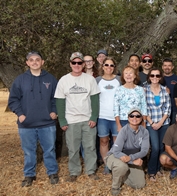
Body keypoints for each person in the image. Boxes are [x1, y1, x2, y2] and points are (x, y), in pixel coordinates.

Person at [8, 51, 59, 187]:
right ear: (27, 63)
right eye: (31, 60)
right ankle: (29, 174)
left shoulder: (51, 79)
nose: (35, 62)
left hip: (47, 123)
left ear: (42, 62)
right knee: (29, 151)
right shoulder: (20, 80)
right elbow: (13, 100)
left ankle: (52, 172)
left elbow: (57, 98)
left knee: (49, 149)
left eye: (37, 59)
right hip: (27, 124)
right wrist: (20, 114)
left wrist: (54, 111)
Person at [55, 52, 100, 182]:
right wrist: (62, 120)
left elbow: (95, 100)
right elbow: (60, 101)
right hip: (71, 120)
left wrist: (94, 117)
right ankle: (74, 172)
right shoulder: (64, 80)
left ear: (83, 64)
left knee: (90, 147)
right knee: (73, 148)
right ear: (70, 64)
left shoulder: (90, 79)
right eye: (74, 62)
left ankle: (91, 171)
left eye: (79, 63)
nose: (76, 65)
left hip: (87, 120)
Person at [105, 107, 150, 196]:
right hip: (116, 155)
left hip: (130, 157)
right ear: (128, 118)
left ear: (141, 118)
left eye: (137, 116)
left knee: (140, 184)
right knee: (122, 167)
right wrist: (132, 161)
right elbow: (117, 151)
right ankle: (115, 187)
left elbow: (145, 151)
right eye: (132, 116)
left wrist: (131, 158)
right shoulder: (123, 131)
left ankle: (122, 175)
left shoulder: (145, 132)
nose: (134, 118)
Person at [145, 68, 171, 182]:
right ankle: (151, 172)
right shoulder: (144, 91)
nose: (154, 78)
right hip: (151, 124)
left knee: (161, 147)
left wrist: (161, 122)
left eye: (157, 75)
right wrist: (152, 123)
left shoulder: (165, 91)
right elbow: (143, 109)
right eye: (152, 75)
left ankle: (158, 168)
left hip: (163, 123)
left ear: (160, 77)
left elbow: (168, 108)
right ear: (149, 77)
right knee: (155, 147)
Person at [96, 57, 121, 174]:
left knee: (116, 142)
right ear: (102, 66)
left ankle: (115, 163)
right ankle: (107, 165)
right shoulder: (97, 81)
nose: (109, 67)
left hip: (116, 116)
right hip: (102, 116)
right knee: (104, 141)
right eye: (106, 65)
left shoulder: (120, 80)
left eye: (111, 65)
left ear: (114, 67)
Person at [114, 66, 147, 132]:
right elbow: (116, 108)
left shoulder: (140, 89)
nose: (128, 75)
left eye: (131, 73)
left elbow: (144, 106)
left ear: (135, 75)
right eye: (126, 73)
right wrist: (118, 125)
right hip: (123, 121)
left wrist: (144, 122)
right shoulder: (119, 90)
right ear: (123, 76)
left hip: (137, 120)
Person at [162, 58, 177, 124]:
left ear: (172, 67)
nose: (167, 67)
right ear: (162, 67)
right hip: (161, 110)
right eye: (165, 65)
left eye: (169, 65)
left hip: (175, 110)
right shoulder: (157, 79)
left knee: (175, 131)